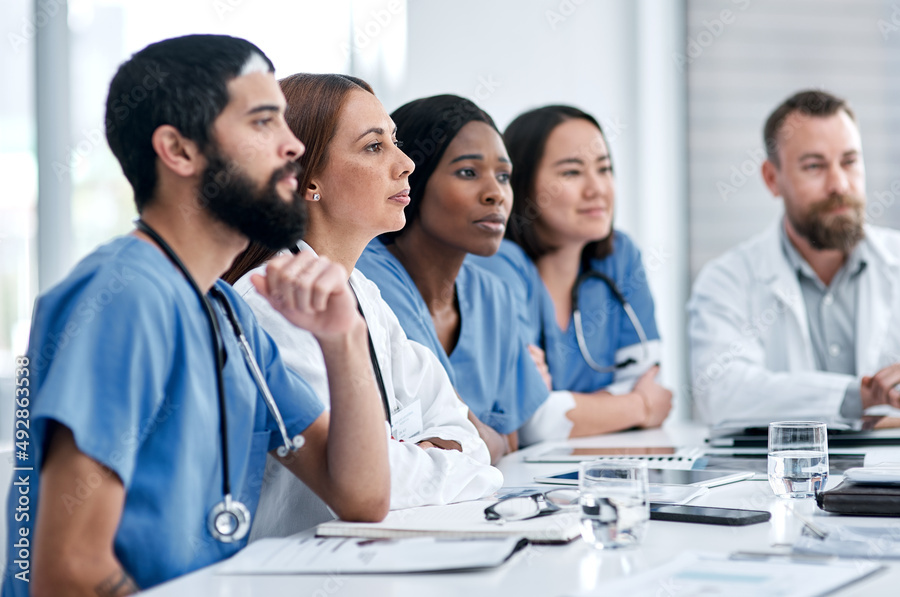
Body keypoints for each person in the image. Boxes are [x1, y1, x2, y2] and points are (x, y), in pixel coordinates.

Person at [8, 35, 391, 597]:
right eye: (263, 123)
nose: (292, 147)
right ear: (179, 151)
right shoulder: (124, 295)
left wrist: (345, 336)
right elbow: (69, 573)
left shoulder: (227, 311)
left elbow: (362, 496)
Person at [222, 77, 501, 540]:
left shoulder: (362, 293)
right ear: (306, 178)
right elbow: (372, 484)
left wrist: (422, 454)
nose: (407, 164)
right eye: (374, 147)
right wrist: (423, 456)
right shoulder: (272, 303)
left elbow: (466, 438)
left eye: (396, 142)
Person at [688, 89, 900, 427]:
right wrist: (866, 396)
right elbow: (720, 394)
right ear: (771, 178)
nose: (838, 183)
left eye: (849, 162)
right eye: (814, 166)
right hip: (780, 481)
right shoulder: (727, 280)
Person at [356, 95, 559, 449]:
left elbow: (507, 439)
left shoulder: (493, 296)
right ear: (411, 180)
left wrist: (480, 441)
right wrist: (481, 441)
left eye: (504, 176)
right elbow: (445, 441)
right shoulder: (368, 276)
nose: (496, 194)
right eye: (468, 172)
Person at [469, 105, 672, 437]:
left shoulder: (620, 257)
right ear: (520, 183)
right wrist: (639, 406)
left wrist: (562, 409)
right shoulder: (496, 263)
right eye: (572, 173)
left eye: (604, 169)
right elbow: (525, 420)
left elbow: (652, 382)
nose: (597, 189)